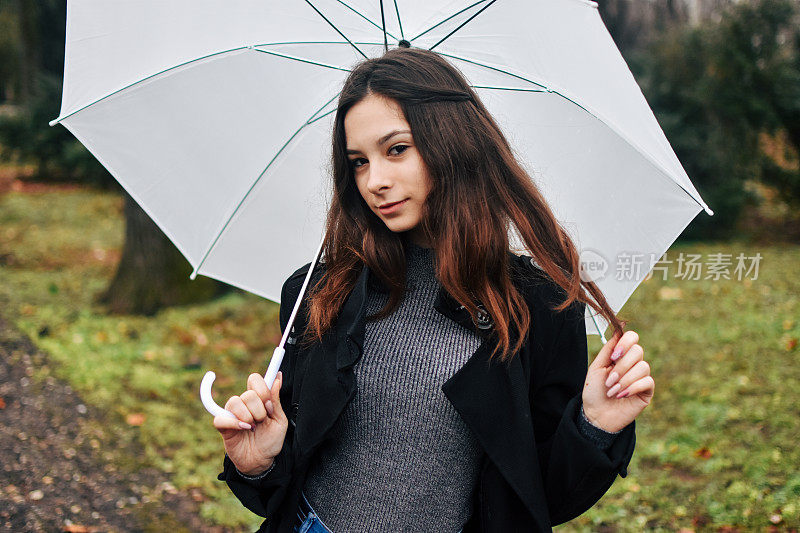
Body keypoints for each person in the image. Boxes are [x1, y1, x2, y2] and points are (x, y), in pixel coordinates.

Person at [213, 47, 654, 533]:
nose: (374, 181)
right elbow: (279, 486)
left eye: (396, 149)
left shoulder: (537, 305)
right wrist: (260, 462)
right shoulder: (319, 292)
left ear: (453, 144)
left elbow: (540, 498)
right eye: (358, 161)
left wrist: (594, 425)